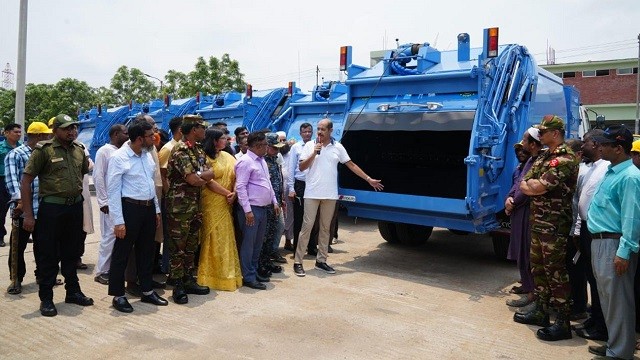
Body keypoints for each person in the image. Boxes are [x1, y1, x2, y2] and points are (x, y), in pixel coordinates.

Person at [514, 115, 579, 341]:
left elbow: (540, 185)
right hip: (538, 224)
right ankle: (541, 311)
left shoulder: (566, 158)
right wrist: (533, 187)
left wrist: (534, 187)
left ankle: (563, 322)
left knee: (556, 273)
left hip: (554, 226)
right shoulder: (543, 157)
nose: (539, 136)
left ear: (555, 133)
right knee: (538, 268)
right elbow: (525, 181)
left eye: (543, 132)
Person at [21, 114, 94, 317]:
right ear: (55, 131)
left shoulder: (79, 150)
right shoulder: (44, 151)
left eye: (74, 128)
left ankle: (73, 291)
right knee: (48, 255)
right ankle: (46, 298)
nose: (72, 131)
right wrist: (28, 214)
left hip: (74, 208)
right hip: (52, 210)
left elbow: (81, 174)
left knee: (72, 252)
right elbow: (26, 181)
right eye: (66, 128)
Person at [293, 119, 383, 277]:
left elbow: (351, 165)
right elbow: (301, 167)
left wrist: (368, 179)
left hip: (330, 194)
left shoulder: (338, 147)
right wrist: (314, 152)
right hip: (312, 193)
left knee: (326, 229)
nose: (319, 132)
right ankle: (298, 262)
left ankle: (321, 260)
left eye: (322, 129)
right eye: (318, 129)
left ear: (330, 131)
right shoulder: (309, 146)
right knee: (306, 227)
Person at [586, 125, 640, 360]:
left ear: (618, 148)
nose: (599, 146)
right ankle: (614, 344)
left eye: (605, 144)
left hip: (614, 244)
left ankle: (620, 353)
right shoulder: (612, 171)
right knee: (608, 299)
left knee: (619, 301)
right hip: (600, 242)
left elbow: (631, 217)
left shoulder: (630, 177)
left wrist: (624, 252)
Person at [106, 120, 168, 313]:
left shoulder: (147, 156)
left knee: (147, 252)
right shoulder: (119, 158)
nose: (154, 138)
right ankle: (118, 295)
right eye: (151, 135)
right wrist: (118, 221)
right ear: (140, 138)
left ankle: (147, 290)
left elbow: (150, 183)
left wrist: (156, 210)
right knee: (122, 253)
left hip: (148, 208)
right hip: (129, 208)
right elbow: (113, 191)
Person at [166, 115, 213, 304]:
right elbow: (193, 179)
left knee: (192, 246)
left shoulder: (199, 149)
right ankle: (177, 285)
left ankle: (188, 279)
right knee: (178, 248)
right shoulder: (180, 150)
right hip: (180, 208)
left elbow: (211, 173)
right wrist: (202, 176)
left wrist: (200, 175)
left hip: (195, 206)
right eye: (202, 128)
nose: (205, 131)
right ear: (194, 130)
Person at [570, 129, 609, 342]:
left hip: (598, 231)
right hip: (586, 228)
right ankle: (594, 319)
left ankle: (601, 326)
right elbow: (581, 202)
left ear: (595, 144)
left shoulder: (605, 169)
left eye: (585, 142)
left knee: (597, 281)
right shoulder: (592, 167)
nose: (581, 145)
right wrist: (577, 230)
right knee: (590, 276)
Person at [4, 121, 52, 294]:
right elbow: (11, 181)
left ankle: (43, 275)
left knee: (43, 246)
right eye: (47, 135)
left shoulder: (44, 153)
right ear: (38, 137)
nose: (49, 138)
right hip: (23, 210)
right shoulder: (16, 155)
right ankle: (16, 279)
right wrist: (20, 202)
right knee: (18, 247)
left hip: (42, 209)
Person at [197, 128, 242, 291]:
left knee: (226, 236)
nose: (227, 140)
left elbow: (238, 175)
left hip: (227, 201)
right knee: (212, 236)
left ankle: (227, 273)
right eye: (223, 138)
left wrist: (235, 193)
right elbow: (206, 180)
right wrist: (228, 193)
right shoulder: (202, 157)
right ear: (214, 140)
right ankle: (210, 275)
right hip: (211, 201)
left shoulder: (229, 156)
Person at [235, 132, 281, 290]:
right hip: (251, 210)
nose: (267, 147)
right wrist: (247, 211)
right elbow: (240, 187)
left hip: (263, 208)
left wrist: (274, 201)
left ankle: (253, 272)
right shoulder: (245, 162)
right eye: (265, 145)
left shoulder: (261, 161)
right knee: (249, 244)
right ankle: (248, 276)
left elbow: (267, 183)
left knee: (257, 244)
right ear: (257, 146)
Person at [504, 131, 538, 308]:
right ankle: (527, 286)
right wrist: (508, 199)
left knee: (526, 253)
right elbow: (515, 187)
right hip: (518, 211)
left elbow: (526, 190)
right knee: (520, 251)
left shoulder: (534, 164)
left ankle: (531, 292)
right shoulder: (520, 168)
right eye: (517, 150)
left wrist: (512, 203)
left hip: (525, 211)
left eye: (523, 145)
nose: (520, 152)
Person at [93, 124, 129, 285]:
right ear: (115, 134)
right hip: (109, 202)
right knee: (109, 236)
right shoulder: (104, 151)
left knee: (118, 236)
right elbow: (98, 177)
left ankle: (113, 267)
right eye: (125, 133)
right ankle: (102, 271)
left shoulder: (123, 151)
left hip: (121, 200)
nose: (128, 136)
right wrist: (103, 201)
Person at [257, 133, 286, 280]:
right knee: (264, 236)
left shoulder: (274, 160)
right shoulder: (262, 161)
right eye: (274, 148)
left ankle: (267, 261)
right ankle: (260, 263)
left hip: (276, 203)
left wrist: (280, 199)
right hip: (266, 204)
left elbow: (278, 180)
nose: (277, 151)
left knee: (272, 234)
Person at [287, 123, 319, 254]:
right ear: (300, 133)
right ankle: (297, 249)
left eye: (309, 131)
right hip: (300, 184)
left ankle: (312, 247)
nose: (307, 134)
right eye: (305, 132)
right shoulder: (295, 147)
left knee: (313, 217)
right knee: (299, 218)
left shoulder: (316, 146)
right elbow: (291, 168)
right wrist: (291, 188)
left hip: (313, 185)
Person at [158, 116, 183, 274]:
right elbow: (163, 175)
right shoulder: (168, 148)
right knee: (171, 236)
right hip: (174, 200)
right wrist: (170, 198)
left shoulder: (184, 146)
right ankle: (167, 268)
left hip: (183, 199)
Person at [0, 123, 23, 247]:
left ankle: (20, 235)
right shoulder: (1, 148)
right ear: (6, 133)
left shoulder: (22, 147)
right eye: (16, 132)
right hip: (2, 182)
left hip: (19, 182)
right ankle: (0, 236)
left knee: (20, 209)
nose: (19, 134)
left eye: (20, 132)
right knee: (1, 211)